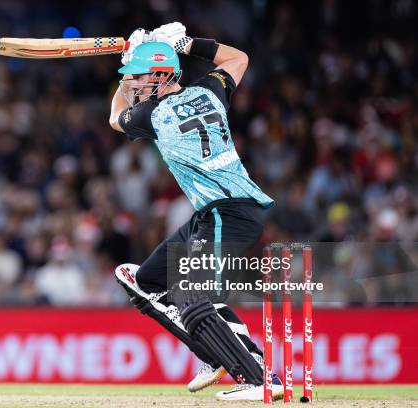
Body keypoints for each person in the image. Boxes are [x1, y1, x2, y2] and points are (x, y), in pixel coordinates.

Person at [109, 23, 282, 401]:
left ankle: (260, 380)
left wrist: (124, 76)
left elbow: (114, 117)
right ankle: (215, 354)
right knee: (143, 281)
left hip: (228, 211)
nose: (133, 85)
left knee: (191, 291)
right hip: (216, 213)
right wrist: (187, 44)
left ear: (158, 74)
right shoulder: (211, 90)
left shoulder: (151, 116)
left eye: (136, 78)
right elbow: (238, 57)